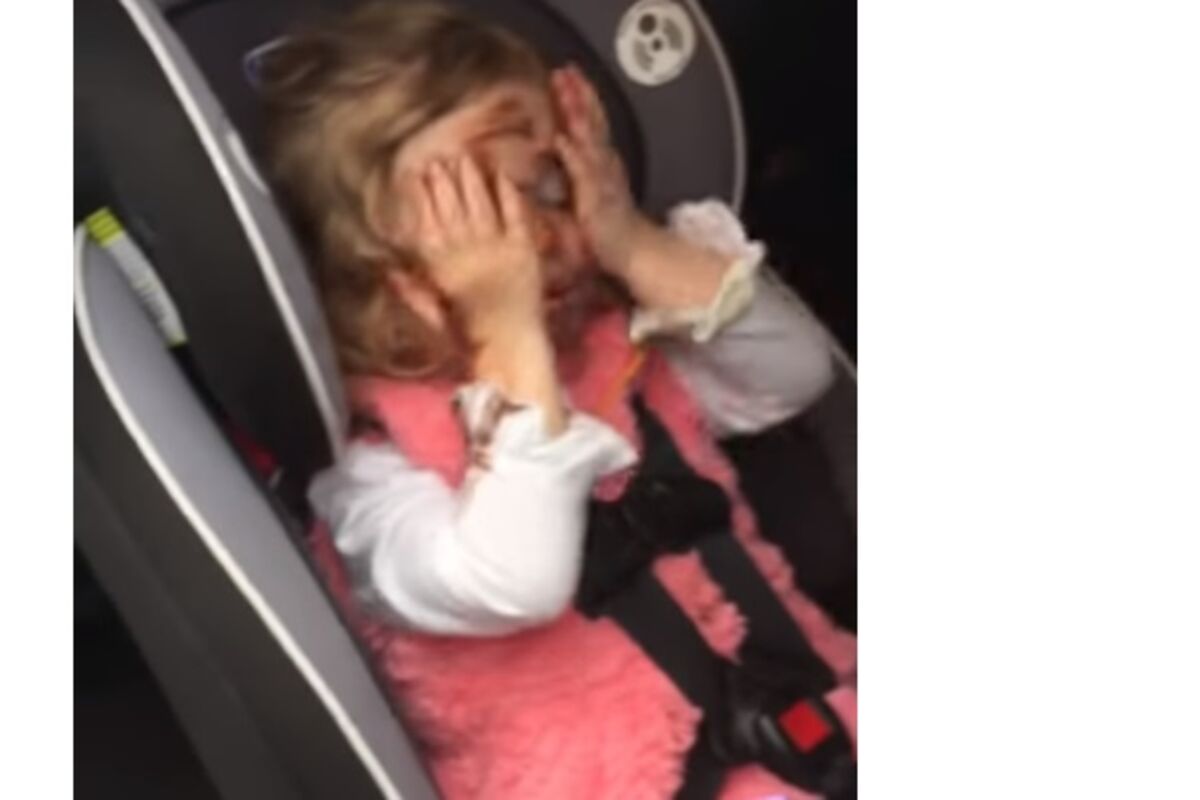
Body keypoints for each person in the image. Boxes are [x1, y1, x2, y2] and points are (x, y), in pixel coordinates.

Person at [261, 2, 856, 797]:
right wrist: (504, 331)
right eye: (479, 221)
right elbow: (518, 578)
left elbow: (794, 374)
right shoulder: (374, 477)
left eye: (548, 188)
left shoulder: (619, 360)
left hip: (816, 734)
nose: (533, 238)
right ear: (374, 278)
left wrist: (628, 240)